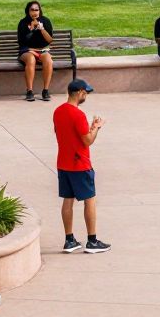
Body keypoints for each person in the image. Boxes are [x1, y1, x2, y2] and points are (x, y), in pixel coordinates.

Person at [55, 79, 111, 254]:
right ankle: (92, 241)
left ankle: (69, 240)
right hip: (80, 164)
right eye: (85, 93)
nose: (86, 96)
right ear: (79, 92)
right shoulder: (78, 114)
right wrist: (96, 128)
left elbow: (65, 133)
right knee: (90, 200)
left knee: (67, 200)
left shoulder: (58, 111)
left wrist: (89, 127)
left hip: (63, 163)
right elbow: (87, 140)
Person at [18, 0, 54, 102]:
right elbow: (21, 42)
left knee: (48, 60)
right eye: (32, 10)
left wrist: (42, 29)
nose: (34, 12)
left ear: (40, 11)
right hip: (27, 51)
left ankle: (45, 90)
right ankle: (29, 91)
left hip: (41, 51)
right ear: (28, 11)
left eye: (36, 10)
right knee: (31, 59)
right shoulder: (23, 23)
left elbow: (50, 40)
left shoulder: (45, 21)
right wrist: (31, 29)